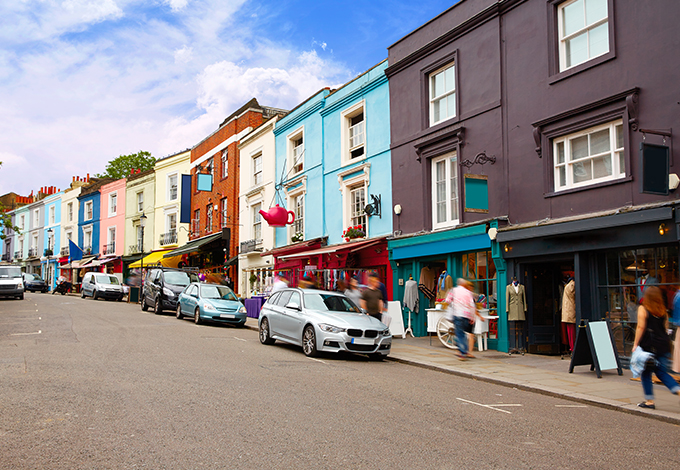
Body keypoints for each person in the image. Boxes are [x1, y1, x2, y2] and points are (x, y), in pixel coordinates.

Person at [632, 285, 680, 409]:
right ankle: (676, 389)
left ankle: (649, 401)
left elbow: (641, 327)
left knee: (646, 372)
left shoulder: (643, 309)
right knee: (661, 372)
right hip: (663, 345)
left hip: (649, 346)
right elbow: (665, 328)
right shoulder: (663, 310)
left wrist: (635, 344)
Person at [445, 278, 483, 360]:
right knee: (463, 333)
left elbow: (447, 300)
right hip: (467, 316)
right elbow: (472, 305)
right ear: (464, 285)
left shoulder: (453, 290)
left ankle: (462, 352)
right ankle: (465, 350)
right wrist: (472, 317)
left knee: (459, 334)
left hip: (458, 314)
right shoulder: (468, 293)